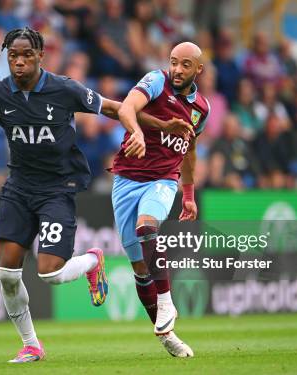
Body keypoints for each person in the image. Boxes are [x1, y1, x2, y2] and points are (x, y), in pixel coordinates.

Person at [0, 27, 186, 363]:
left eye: (27, 55)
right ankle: (31, 344)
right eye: (13, 55)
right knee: (6, 273)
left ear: (40, 55)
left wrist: (160, 125)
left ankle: (90, 261)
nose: (20, 61)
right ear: (7, 57)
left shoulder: (64, 89)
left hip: (58, 188)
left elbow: (114, 108)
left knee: (50, 273)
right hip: (19, 187)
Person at [111, 42, 210, 357]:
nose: (177, 70)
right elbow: (127, 107)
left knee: (147, 227)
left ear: (198, 70)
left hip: (163, 180)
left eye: (184, 65)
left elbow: (189, 147)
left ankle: (167, 300)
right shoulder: (155, 81)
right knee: (140, 270)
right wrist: (137, 132)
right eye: (173, 62)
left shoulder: (202, 110)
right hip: (126, 179)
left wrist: (189, 194)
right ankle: (167, 336)